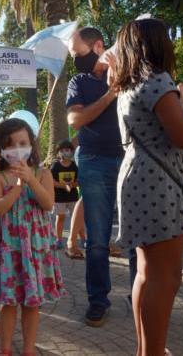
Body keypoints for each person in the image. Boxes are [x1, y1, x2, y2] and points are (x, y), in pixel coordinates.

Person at [110, 18, 183, 356]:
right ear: (158, 44)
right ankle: (154, 351)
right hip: (157, 184)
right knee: (166, 275)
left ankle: (147, 349)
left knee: (147, 272)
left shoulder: (129, 85)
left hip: (139, 179)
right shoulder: (158, 81)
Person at [0, 118, 64, 356]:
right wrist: (19, 186)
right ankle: (5, 349)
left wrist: (30, 179)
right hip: (9, 249)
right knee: (8, 303)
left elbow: (48, 203)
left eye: (22, 142)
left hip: (35, 249)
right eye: (10, 145)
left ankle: (29, 349)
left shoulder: (43, 174)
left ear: (31, 144)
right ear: (1, 149)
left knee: (32, 303)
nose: (17, 149)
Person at [66, 27, 126, 327]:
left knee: (136, 233)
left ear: (99, 45)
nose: (75, 60)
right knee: (98, 239)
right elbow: (75, 119)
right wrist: (109, 95)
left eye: (77, 53)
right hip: (93, 160)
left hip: (130, 159)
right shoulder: (79, 81)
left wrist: (119, 80)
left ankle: (141, 290)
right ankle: (98, 301)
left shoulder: (129, 71)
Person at [50, 139, 81, 255]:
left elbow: (79, 181)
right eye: (62, 150)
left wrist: (72, 185)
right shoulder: (55, 166)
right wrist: (63, 186)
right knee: (60, 217)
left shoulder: (74, 166)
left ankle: (82, 239)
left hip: (73, 197)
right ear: (59, 152)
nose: (65, 152)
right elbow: (51, 180)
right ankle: (58, 239)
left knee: (76, 218)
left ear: (72, 151)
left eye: (68, 150)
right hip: (59, 198)